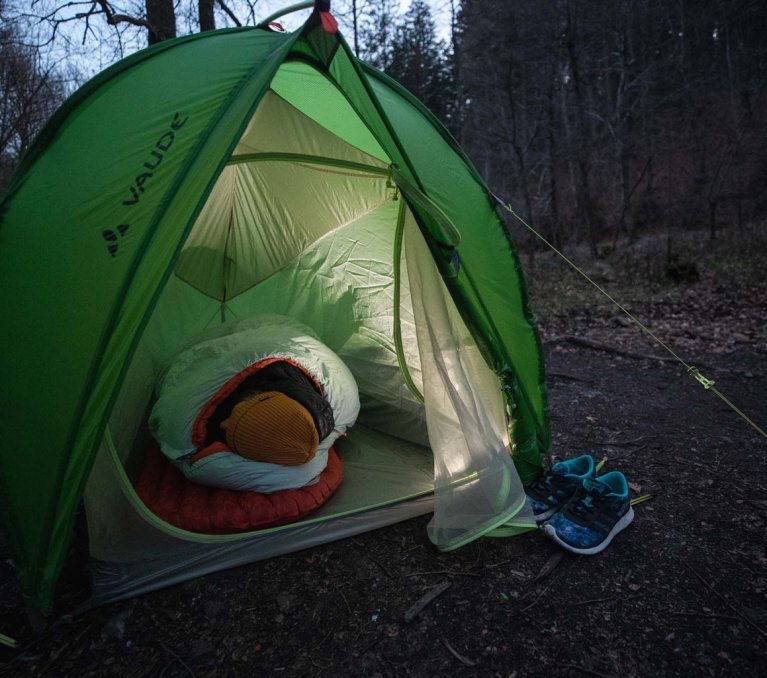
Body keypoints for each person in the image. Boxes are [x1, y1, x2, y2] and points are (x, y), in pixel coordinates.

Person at [149, 314, 360, 493]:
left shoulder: (338, 409)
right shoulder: (343, 398)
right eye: (236, 413)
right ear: (260, 396)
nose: (223, 424)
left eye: (232, 432)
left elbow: (200, 467)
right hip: (270, 336)